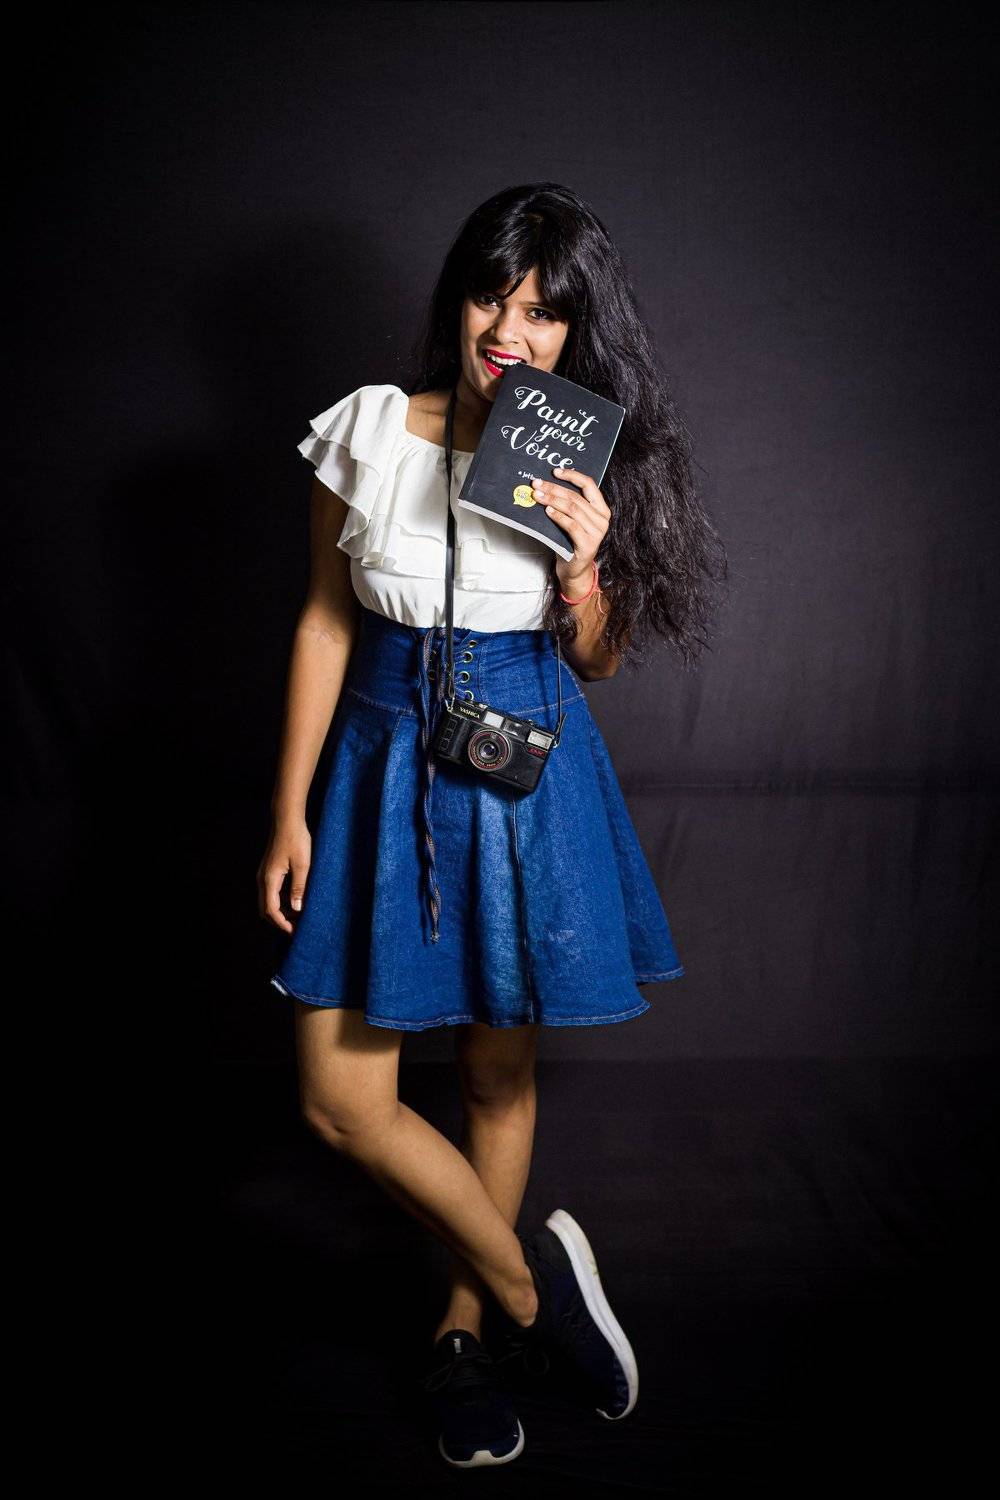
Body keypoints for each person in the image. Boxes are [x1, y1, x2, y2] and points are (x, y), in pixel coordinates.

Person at [258, 182, 726, 1468]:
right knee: (339, 1099)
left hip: (524, 770)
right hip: (378, 763)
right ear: (456, 300)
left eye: (542, 313)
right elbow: (323, 621)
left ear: (575, 330)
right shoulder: (371, 426)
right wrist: (289, 810)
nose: (509, 333)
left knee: (493, 1074)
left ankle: (462, 1336)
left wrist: (584, 567)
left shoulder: (578, 451)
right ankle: (534, 1290)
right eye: (489, 298)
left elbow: (600, 661)